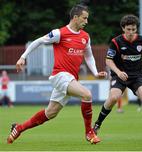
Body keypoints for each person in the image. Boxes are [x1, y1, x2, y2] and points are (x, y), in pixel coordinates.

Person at [7, 4, 107, 144]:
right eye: (84, 18)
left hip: (70, 79)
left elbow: (88, 56)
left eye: (87, 19)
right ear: (75, 17)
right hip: (60, 75)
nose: (86, 21)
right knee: (87, 94)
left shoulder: (85, 37)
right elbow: (39, 41)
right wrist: (23, 57)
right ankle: (89, 133)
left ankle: (19, 128)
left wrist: (95, 72)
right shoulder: (60, 33)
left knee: (50, 113)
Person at [93, 14, 142, 135]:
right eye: (128, 29)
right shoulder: (116, 42)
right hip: (119, 75)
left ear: (136, 28)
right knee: (113, 98)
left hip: (137, 75)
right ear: (123, 28)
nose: (131, 32)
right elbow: (108, 60)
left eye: (133, 29)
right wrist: (118, 72)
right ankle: (97, 124)